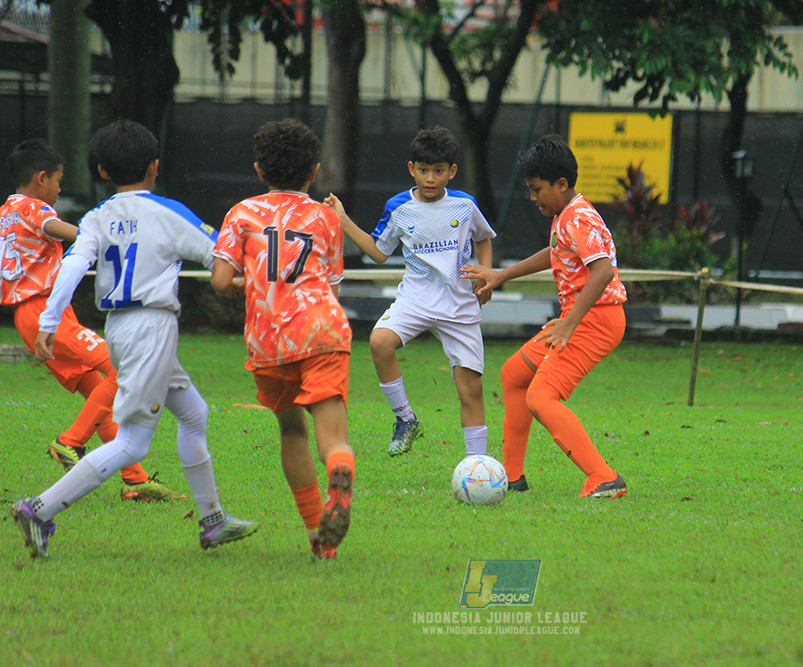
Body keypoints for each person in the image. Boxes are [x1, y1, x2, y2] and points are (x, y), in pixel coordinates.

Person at [10, 120, 257, 559]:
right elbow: (221, 252)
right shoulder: (168, 212)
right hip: (152, 327)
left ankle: (213, 521)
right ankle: (39, 509)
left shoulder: (96, 217)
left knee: (194, 413)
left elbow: (71, 267)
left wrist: (49, 320)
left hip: (120, 328)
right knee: (132, 443)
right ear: (155, 166)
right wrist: (252, 278)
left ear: (102, 171)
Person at [0, 138, 184, 502]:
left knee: (96, 389)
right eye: (58, 180)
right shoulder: (33, 209)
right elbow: (63, 231)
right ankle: (69, 442)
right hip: (42, 311)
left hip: (31, 314)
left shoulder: (6, 210)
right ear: (41, 178)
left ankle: (135, 480)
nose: (60, 189)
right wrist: (104, 239)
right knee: (125, 369)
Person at [211, 119, 355, 560]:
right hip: (321, 329)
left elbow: (220, 280)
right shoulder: (326, 217)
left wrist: (243, 283)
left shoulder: (241, 213)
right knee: (331, 435)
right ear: (314, 172)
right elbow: (329, 281)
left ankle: (318, 535)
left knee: (292, 430)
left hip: (269, 339)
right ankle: (341, 471)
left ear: (259, 170)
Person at [461, 135, 628, 499]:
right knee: (514, 375)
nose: (532, 197)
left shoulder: (578, 217)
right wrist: (500, 274)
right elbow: (554, 253)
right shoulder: (567, 215)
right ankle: (513, 478)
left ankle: (604, 477)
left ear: (561, 184)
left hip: (595, 320)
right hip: (584, 317)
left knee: (541, 397)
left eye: (537, 190)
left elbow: (603, 271)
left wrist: (569, 323)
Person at [324, 126, 496, 458]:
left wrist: (486, 274)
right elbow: (378, 252)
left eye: (439, 171)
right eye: (423, 170)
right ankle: (406, 419)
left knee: (470, 389)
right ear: (411, 169)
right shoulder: (398, 207)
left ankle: (477, 466)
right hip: (415, 300)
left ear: (452, 172)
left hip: (458, 305)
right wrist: (343, 220)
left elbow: (483, 237)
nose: (430, 178)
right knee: (379, 342)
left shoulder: (464, 205)